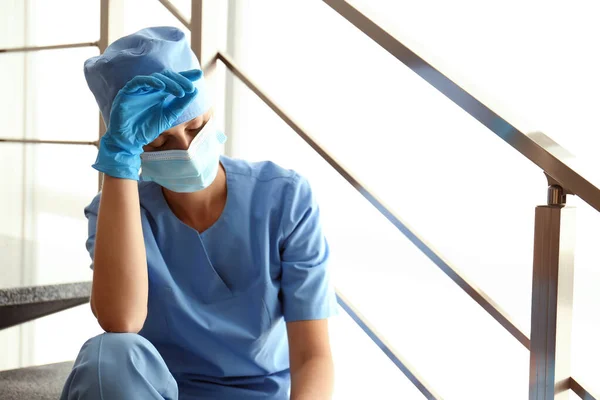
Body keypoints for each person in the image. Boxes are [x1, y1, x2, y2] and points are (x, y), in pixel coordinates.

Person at [60, 26, 338, 400]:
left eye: (196, 126)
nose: (187, 148)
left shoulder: (284, 199)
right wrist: (119, 163)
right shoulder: (116, 212)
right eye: (159, 141)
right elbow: (121, 321)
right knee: (107, 353)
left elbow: (312, 355)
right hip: (164, 393)